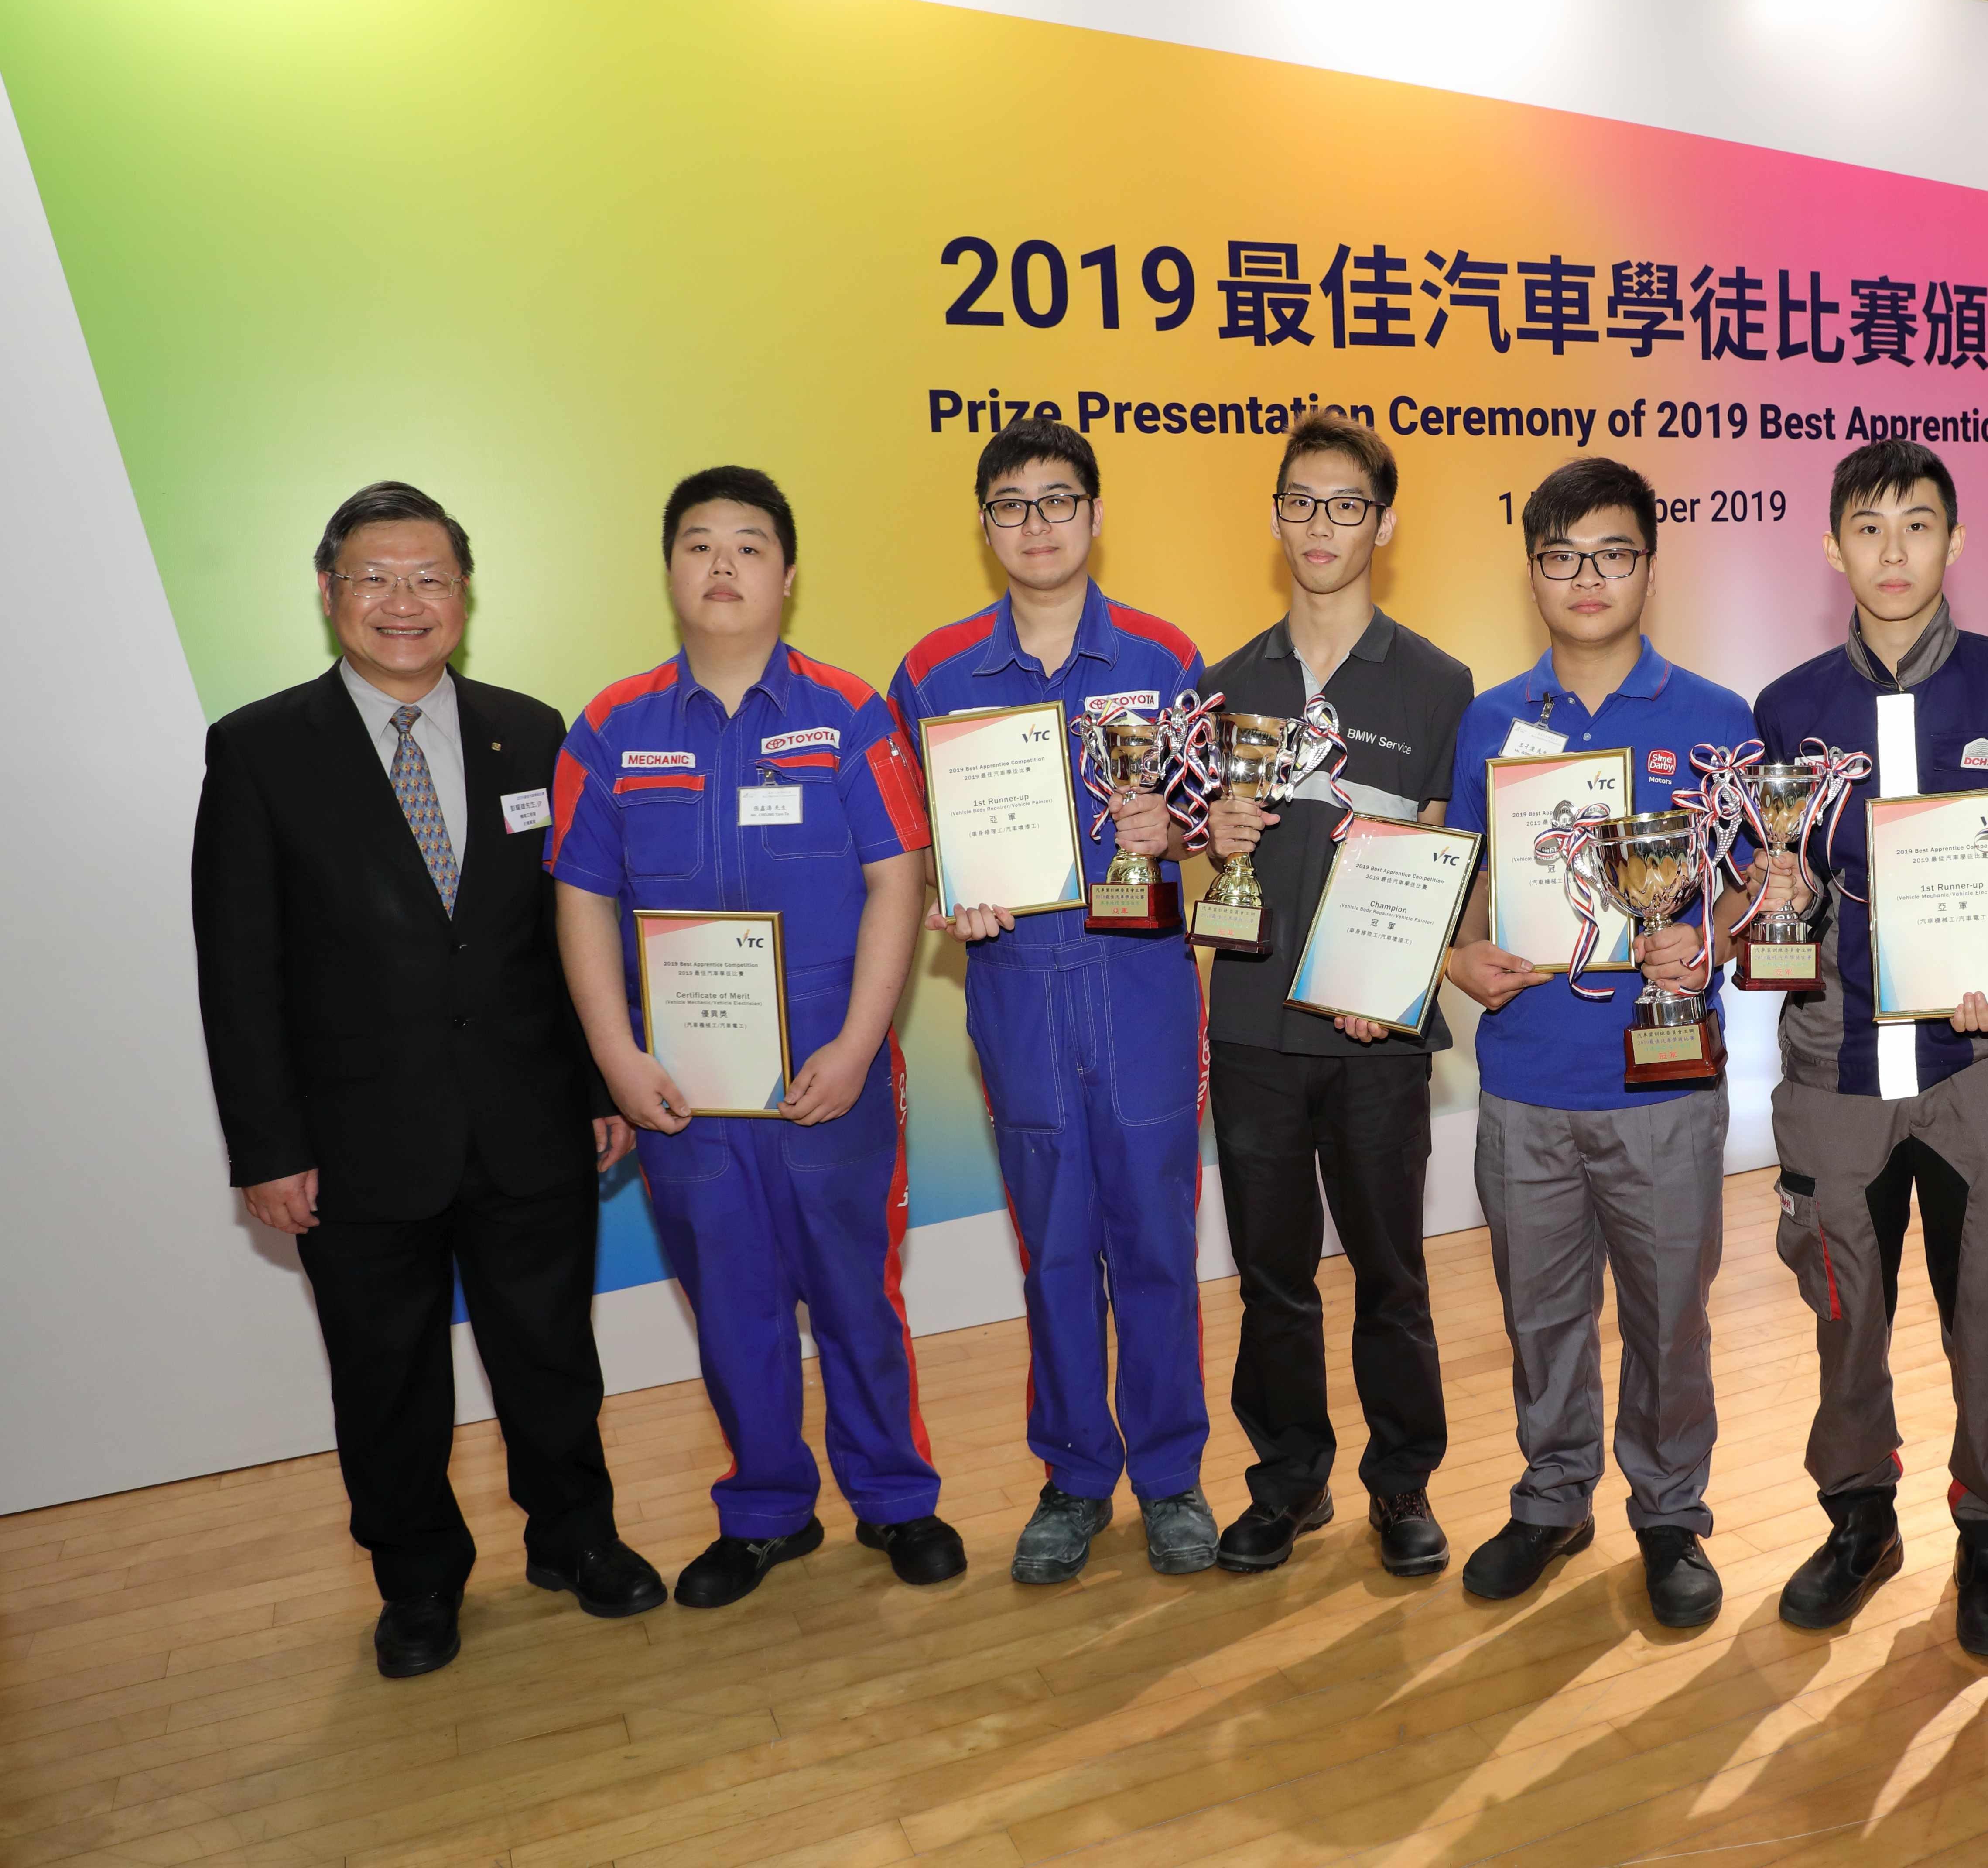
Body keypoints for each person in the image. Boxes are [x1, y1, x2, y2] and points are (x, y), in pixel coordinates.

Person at [192, 481, 658, 1680]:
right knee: (385, 1379)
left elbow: (572, 930)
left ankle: (576, 1537)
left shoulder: (534, 732)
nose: (404, 603)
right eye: (376, 579)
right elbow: (237, 969)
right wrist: (267, 1148)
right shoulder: (259, 749)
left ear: (464, 594)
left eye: (430, 579)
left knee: (551, 1355)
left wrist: (596, 1082)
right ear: (329, 592)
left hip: (529, 1119)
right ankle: (417, 1582)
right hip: (354, 1143)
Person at [551, 466, 963, 1607]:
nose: (723, 565)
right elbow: (581, 898)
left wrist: (860, 1042)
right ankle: (769, 1511)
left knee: (856, 1295)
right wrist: (617, 1058)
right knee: (732, 1303)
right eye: (698, 544)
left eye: (748, 545)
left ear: (788, 575)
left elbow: (898, 878)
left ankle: (896, 1498)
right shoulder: (612, 728)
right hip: (686, 1088)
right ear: (669, 571)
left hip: (830, 1074)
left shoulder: (851, 713)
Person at [1742, 437, 1988, 1654]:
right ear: (1833, 549)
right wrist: (1779, 895)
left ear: (1954, 541)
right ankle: (1859, 1518)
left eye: (1918, 525)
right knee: (1845, 1315)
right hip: (1837, 1069)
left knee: (1985, 1319)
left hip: (1975, 1069)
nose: (1893, 551)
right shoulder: (1789, 709)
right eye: (1868, 528)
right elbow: (1781, 890)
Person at [888, 419, 1220, 1585]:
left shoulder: (1166, 657)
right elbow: (907, 839)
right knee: (1055, 1244)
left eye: (1059, 500)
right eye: (1012, 505)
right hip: (1017, 987)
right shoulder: (934, 673)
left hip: (1140, 984)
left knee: (1158, 1242)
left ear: (1095, 514)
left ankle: (1171, 1475)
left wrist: (1172, 831)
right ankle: (1075, 1476)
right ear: (986, 526)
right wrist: (950, 891)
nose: (1037, 524)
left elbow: (1212, 833)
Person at [1441, 456, 1752, 1630]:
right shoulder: (1490, 721)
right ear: (1532, 573)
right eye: (1562, 556)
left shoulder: (1717, 719)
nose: (1588, 578)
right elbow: (1469, 880)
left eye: (1613, 554)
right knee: (1540, 1315)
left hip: (1663, 1084)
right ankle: (1553, 1497)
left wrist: (1709, 941)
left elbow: (1752, 884)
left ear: (1649, 569)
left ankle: (1670, 1514)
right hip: (1526, 1075)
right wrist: (1459, 956)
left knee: (1670, 1318)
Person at [1198, 417, 1473, 1577]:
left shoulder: (1439, 684)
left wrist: (1394, 985)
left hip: (1374, 1033)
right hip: (1252, 1025)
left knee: (1390, 1273)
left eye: (1346, 504)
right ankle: (1288, 1482)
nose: (1321, 525)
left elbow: (1448, 857)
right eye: (1301, 503)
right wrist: (1210, 840)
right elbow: (1201, 859)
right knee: (1271, 1276)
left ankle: (1402, 1485)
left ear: (1384, 525)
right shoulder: (1222, 686)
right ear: (1276, 519)